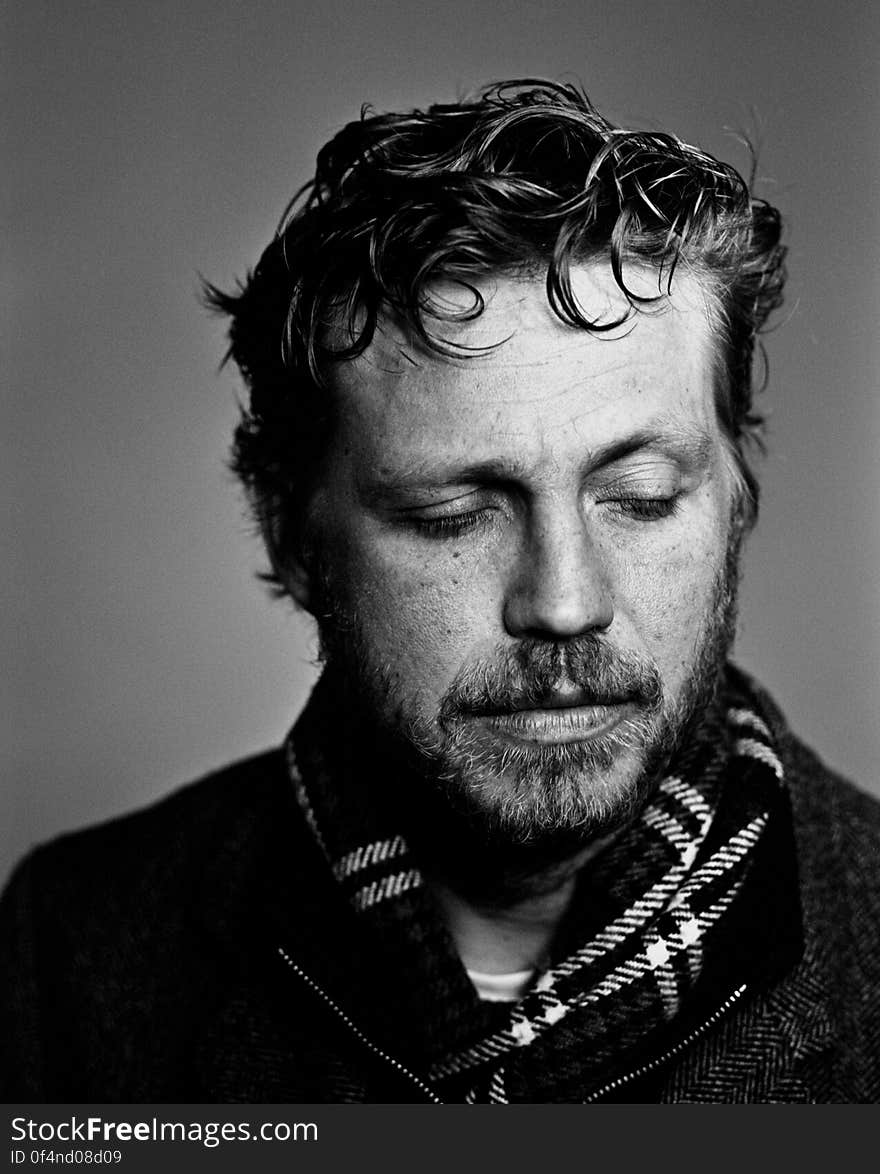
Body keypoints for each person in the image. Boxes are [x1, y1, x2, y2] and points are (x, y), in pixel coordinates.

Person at [2, 80, 878, 1105]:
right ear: (293, 534)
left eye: (637, 499)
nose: (562, 601)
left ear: (736, 502)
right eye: (452, 515)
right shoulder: (64, 951)